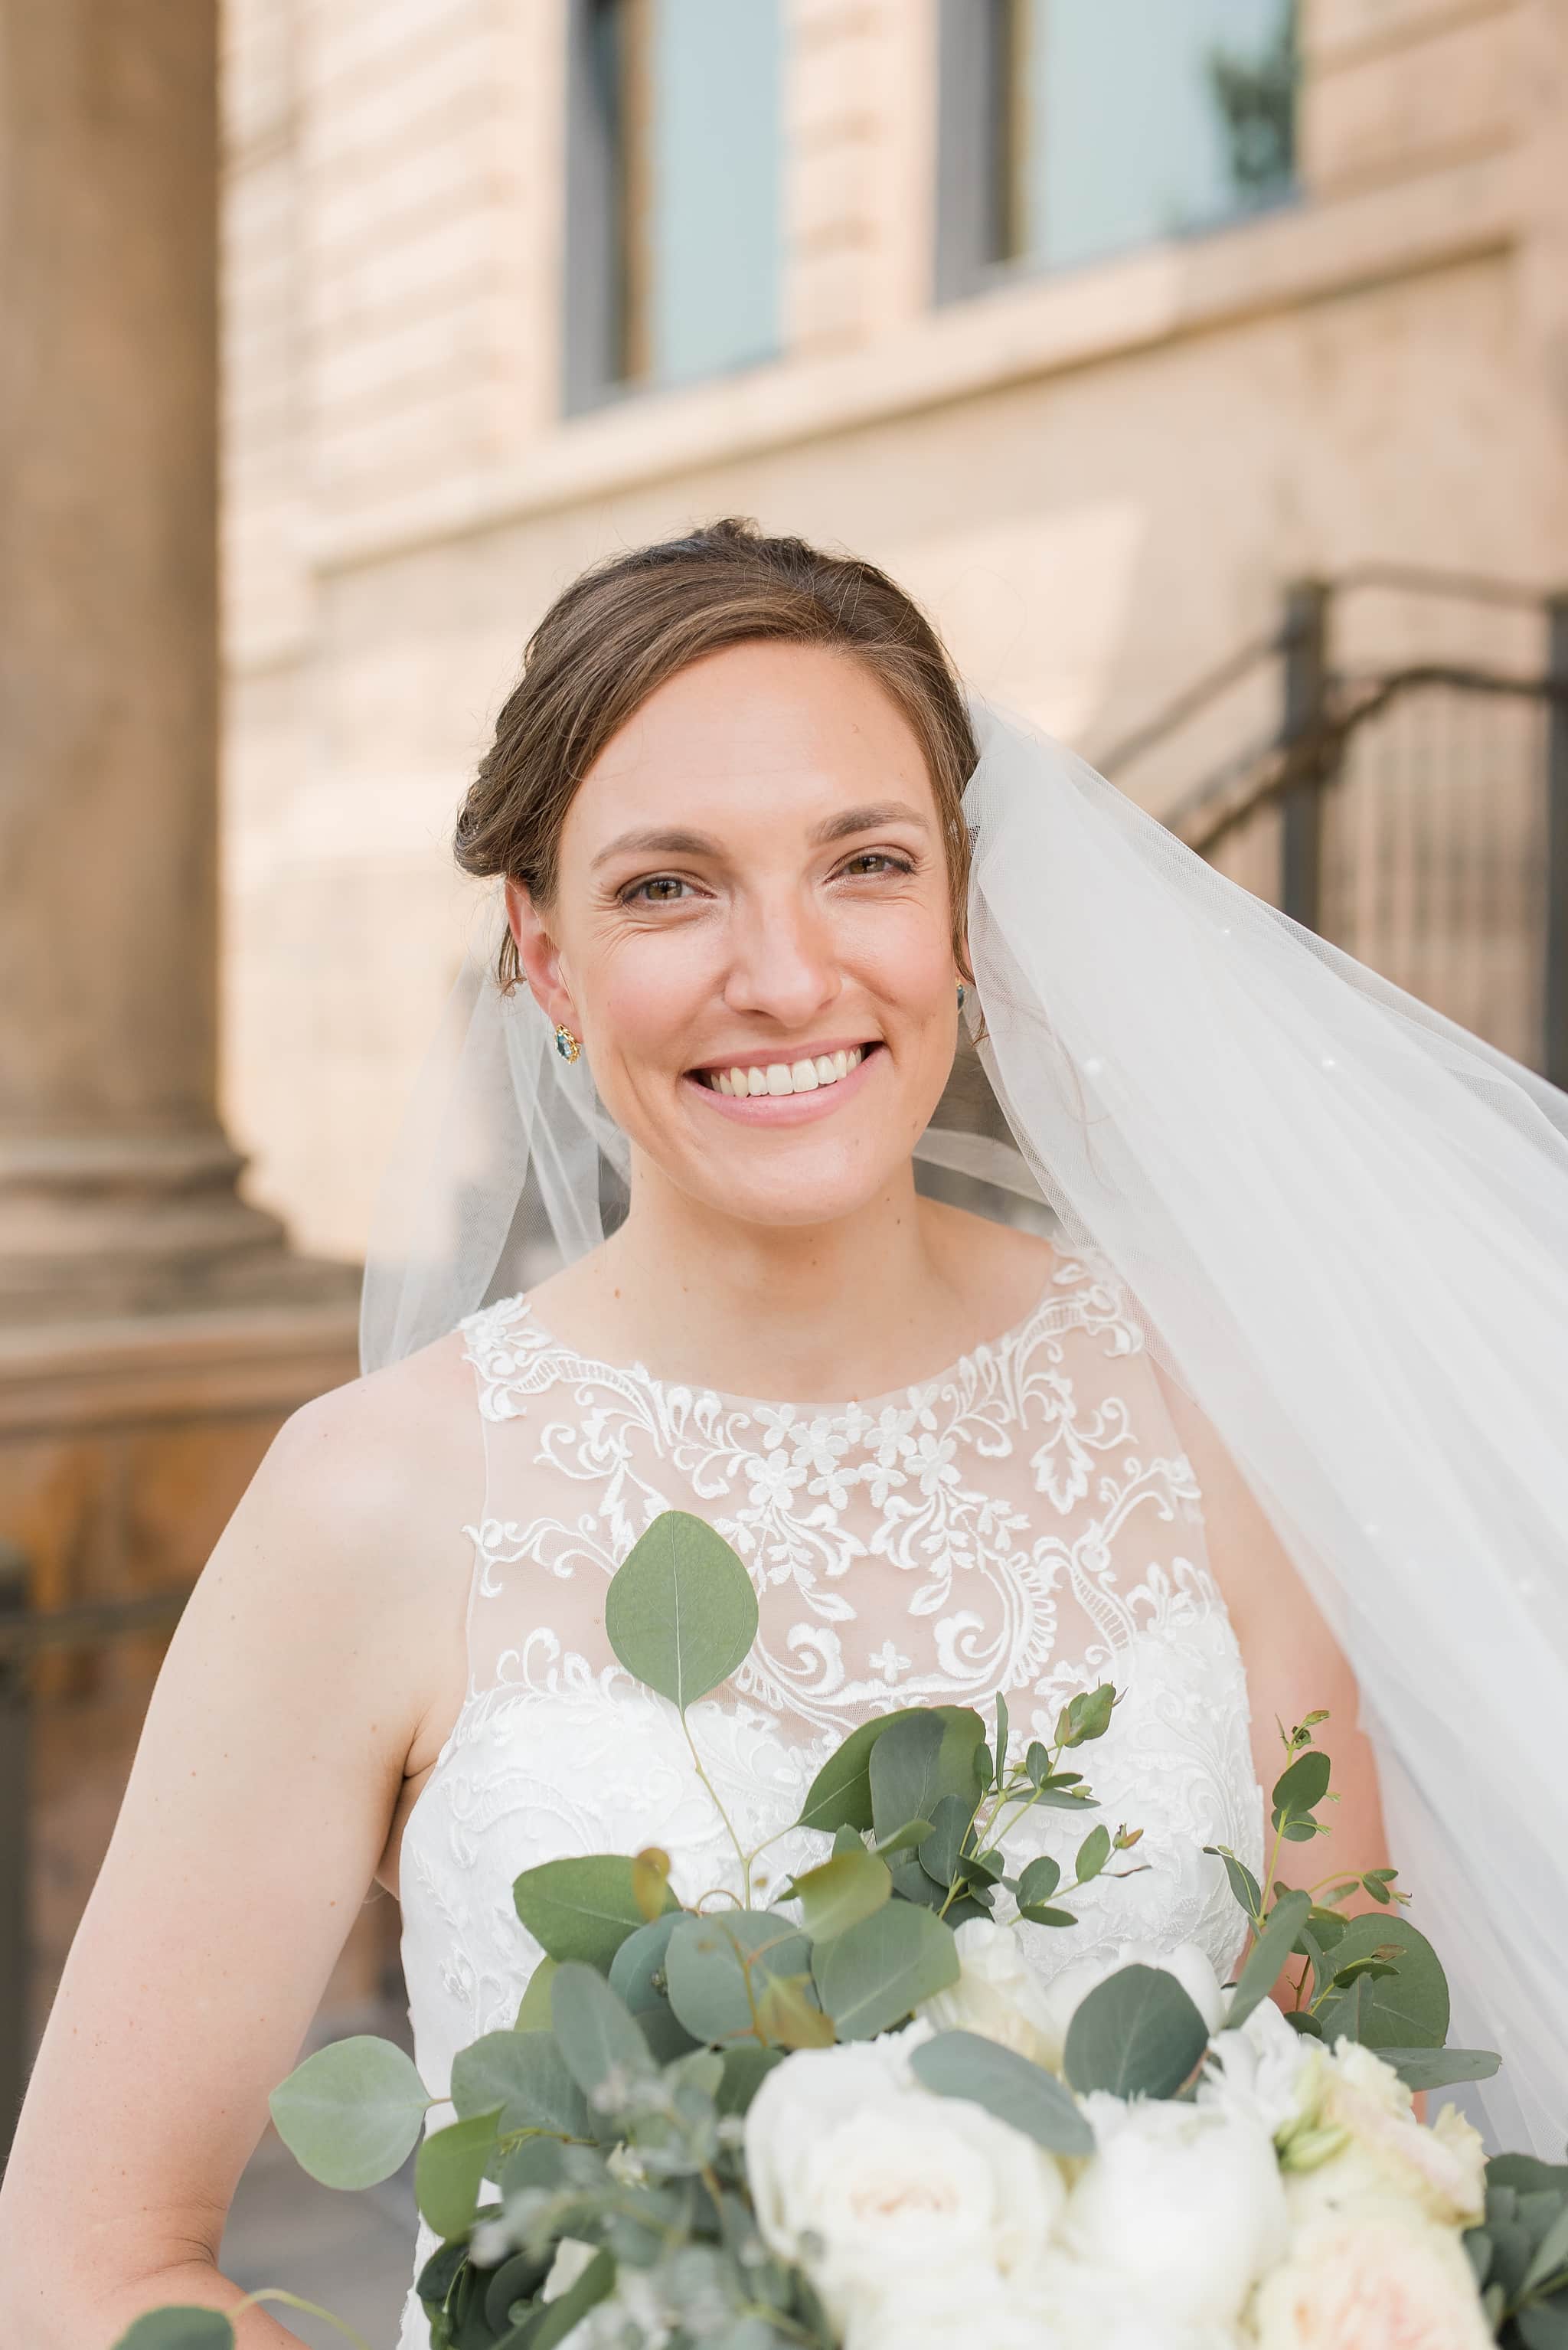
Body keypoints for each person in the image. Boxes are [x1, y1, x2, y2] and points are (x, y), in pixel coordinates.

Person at [2, 518, 1563, 2346]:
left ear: (960, 915)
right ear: (545, 955)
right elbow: (85, 2262)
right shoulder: (374, 1502)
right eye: (668, 888)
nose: (787, 973)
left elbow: (1368, 2112)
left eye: (865, 863)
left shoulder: (1202, 1408)